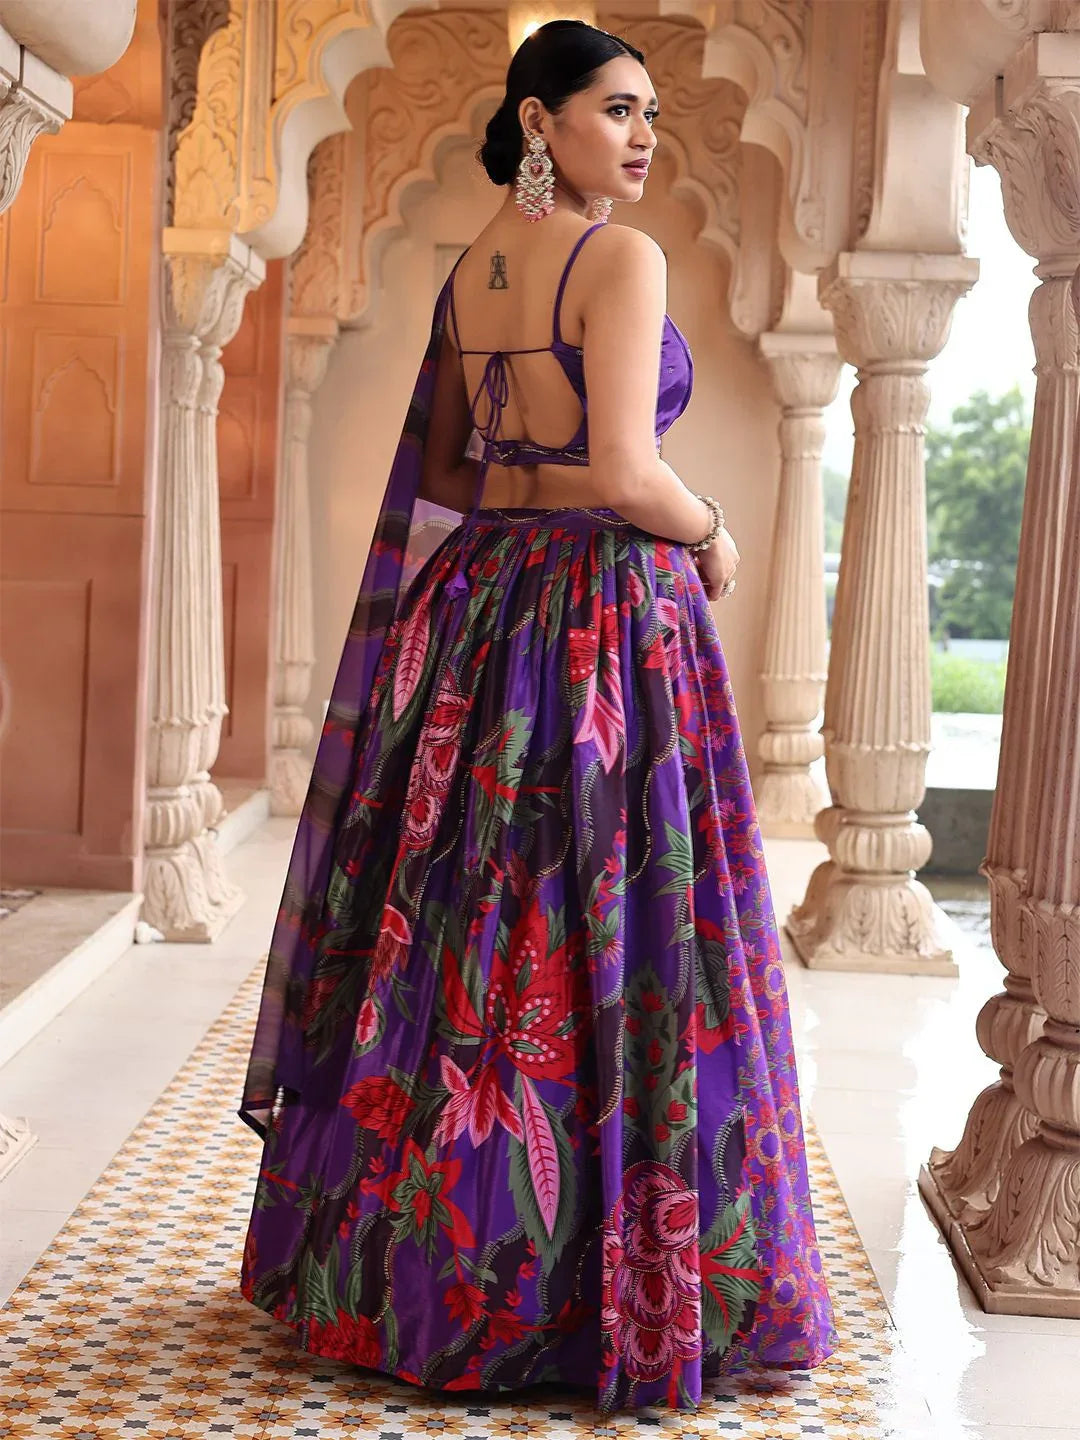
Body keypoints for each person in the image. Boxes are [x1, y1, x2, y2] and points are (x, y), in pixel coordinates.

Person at [237, 18, 835, 1415]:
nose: (643, 136)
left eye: (650, 113)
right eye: (618, 111)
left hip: (484, 611)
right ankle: (592, 1290)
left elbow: (453, 463)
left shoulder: (475, 266)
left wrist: (531, 507)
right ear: (538, 121)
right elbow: (627, 467)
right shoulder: (619, 257)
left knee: (472, 932)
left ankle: (425, 1267)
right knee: (608, 929)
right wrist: (714, 533)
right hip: (606, 631)